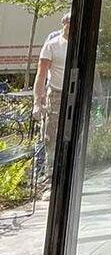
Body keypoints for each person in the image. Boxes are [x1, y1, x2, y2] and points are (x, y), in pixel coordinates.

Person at [33, 11, 70, 175]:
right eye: (69, 23)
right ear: (64, 24)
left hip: (74, 94)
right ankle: (50, 173)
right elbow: (41, 75)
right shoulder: (52, 45)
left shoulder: (80, 45)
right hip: (56, 94)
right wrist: (37, 102)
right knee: (51, 134)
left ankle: (67, 170)